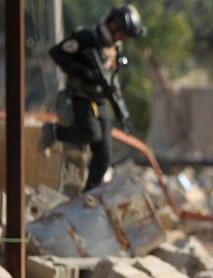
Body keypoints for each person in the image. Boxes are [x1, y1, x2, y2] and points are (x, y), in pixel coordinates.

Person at [38, 4, 146, 192]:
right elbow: (57, 54)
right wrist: (85, 73)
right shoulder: (86, 38)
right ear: (114, 25)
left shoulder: (114, 48)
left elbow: (113, 80)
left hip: (99, 100)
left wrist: (121, 110)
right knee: (91, 133)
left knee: (103, 156)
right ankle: (54, 132)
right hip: (79, 97)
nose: (123, 38)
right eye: (122, 33)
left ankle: (89, 195)